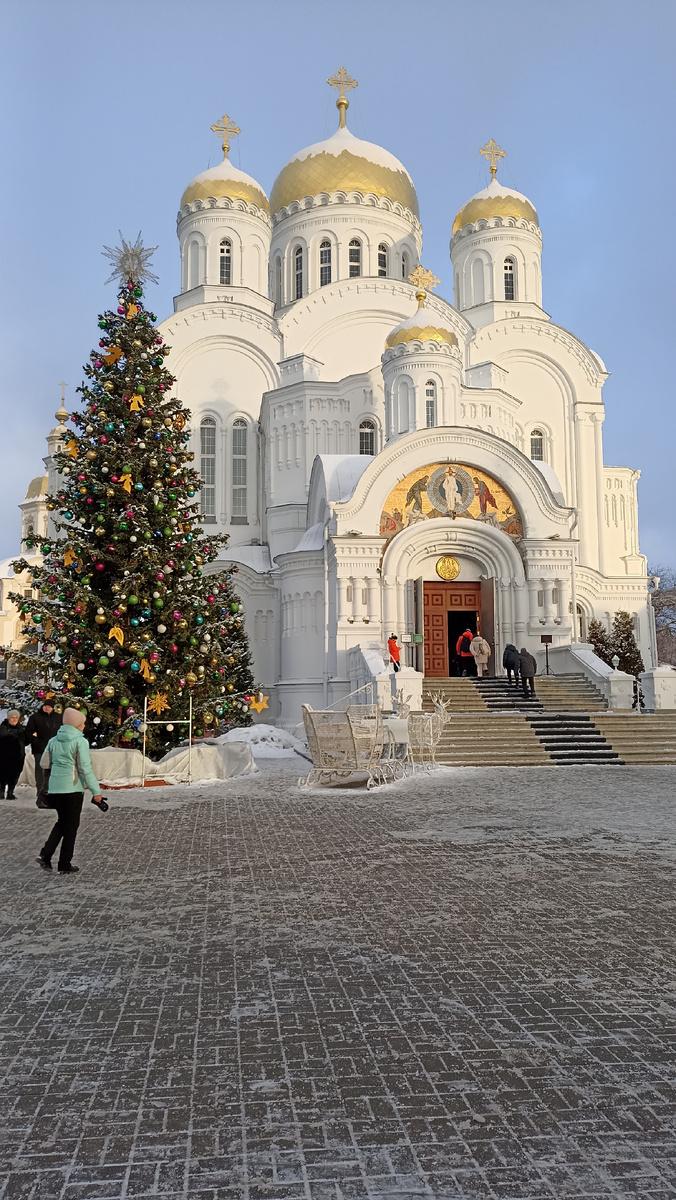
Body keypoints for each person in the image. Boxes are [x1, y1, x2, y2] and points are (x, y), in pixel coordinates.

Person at [36, 707, 103, 875]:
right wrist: (96, 791)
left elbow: (44, 763)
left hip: (55, 788)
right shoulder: (80, 741)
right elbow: (85, 769)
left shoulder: (53, 740)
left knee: (62, 822)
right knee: (71, 826)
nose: (83, 726)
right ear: (76, 725)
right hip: (72, 788)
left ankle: (45, 855)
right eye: (82, 723)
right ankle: (64, 863)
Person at [25, 700, 62, 798]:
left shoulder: (58, 717)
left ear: (53, 708)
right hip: (40, 748)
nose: (47, 708)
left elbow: (62, 730)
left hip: (54, 748)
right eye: (45, 706)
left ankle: (49, 789)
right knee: (40, 770)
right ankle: (40, 790)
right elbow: (29, 732)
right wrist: (36, 741)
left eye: (49, 707)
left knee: (51, 770)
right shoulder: (35, 717)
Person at [0, 710, 28, 798]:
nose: (14, 719)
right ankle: (1, 792)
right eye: (12, 717)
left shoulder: (21, 729)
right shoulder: (3, 727)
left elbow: (25, 741)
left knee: (15, 775)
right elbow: (4, 736)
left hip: (17, 757)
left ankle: (10, 792)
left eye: (16, 718)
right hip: (4, 757)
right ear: (8, 718)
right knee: (2, 775)